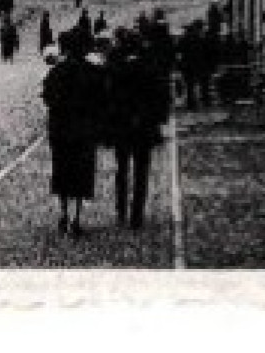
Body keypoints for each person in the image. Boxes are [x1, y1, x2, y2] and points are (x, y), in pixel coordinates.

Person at [103, 30, 172, 229]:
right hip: (144, 127)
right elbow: (161, 95)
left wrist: (109, 122)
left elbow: (108, 96)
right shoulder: (150, 65)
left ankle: (121, 210)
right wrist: (158, 119)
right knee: (141, 171)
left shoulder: (115, 66)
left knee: (122, 169)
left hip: (122, 126)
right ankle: (137, 214)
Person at [42, 31, 105, 238]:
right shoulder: (92, 72)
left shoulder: (56, 72)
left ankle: (64, 214)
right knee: (81, 174)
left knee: (62, 171)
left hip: (60, 131)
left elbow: (48, 99)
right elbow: (100, 101)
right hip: (84, 132)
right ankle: (76, 217)